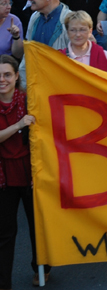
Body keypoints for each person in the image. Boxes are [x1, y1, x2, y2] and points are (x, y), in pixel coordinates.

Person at [0, 55, 51, 290]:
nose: (2, 80)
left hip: (30, 173)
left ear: (17, 76)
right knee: (5, 234)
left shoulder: (29, 101)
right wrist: (19, 125)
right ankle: (4, 283)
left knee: (37, 227)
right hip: (3, 177)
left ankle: (42, 269)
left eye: (7, 74)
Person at [61, 10, 107, 76]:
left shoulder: (105, 56)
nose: (78, 34)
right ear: (67, 32)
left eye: (82, 29)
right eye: (73, 30)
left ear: (90, 31)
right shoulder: (59, 58)